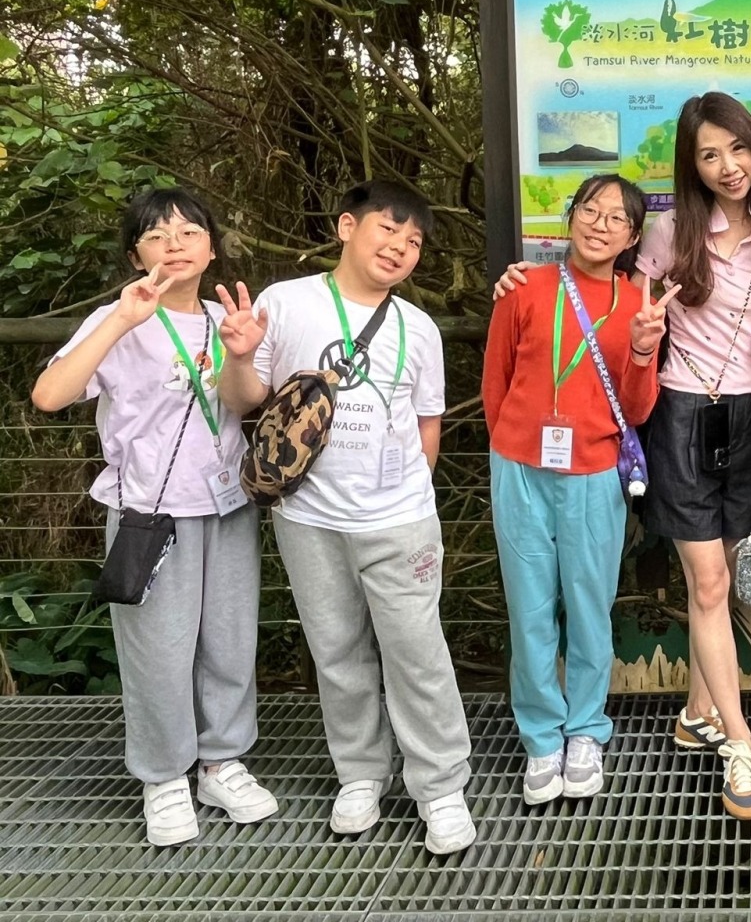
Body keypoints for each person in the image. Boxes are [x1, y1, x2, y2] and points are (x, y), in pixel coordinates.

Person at [495, 93, 751, 820]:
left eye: (737, 149)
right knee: (708, 582)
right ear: (691, 167)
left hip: (749, 419)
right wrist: (522, 276)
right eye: (708, 155)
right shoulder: (669, 232)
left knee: (720, 578)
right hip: (681, 415)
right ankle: (739, 741)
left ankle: (696, 711)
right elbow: (617, 304)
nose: (726, 166)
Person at [216, 181, 475, 855]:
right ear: (346, 227)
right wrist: (239, 355)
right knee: (336, 652)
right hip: (309, 517)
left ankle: (440, 785)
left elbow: (427, 423)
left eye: (414, 240)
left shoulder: (418, 327)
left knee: (418, 653)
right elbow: (244, 401)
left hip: (400, 519)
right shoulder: (285, 303)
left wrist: (407, 492)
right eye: (388, 229)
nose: (400, 247)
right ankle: (361, 774)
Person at [32, 188, 277, 847]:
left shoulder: (226, 318)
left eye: (189, 231)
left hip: (227, 505)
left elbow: (243, 403)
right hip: (149, 514)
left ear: (211, 248)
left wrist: (242, 354)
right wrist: (121, 319)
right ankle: (164, 776)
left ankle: (221, 762)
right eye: (156, 235)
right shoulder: (116, 318)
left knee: (228, 641)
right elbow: (50, 395)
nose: (175, 243)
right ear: (135, 254)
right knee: (158, 652)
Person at [483, 174, 666, 807]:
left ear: (632, 236)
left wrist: (642, 351)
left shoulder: (636, 305)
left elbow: (637, 410)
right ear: (572, 216)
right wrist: (512, 444)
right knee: (530, 607)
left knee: (590, 605)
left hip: (594, 472)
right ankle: (541, 736)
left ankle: (585, 729)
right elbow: (496, 382)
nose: (599, 224)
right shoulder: (524, 288)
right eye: (590, 209)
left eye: (616, 218)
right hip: (520, 470)